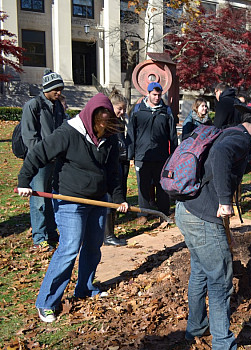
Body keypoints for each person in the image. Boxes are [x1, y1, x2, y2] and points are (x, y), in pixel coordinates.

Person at [175, 99, 251, 350]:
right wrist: (224, 200)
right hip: (204, 218)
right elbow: (220, 158)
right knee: (220, 281)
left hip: (186, 210)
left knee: (200, 271)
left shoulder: (227, 130)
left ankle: (196, 328)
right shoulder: (240, 140)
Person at [17, 93, 129, 323]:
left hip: (98, 200)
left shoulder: (109, 138)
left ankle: (85, 288)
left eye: (106, 123)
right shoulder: (68, 133)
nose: (102, 127)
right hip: (70, 199)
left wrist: (119, 197)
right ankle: (47, 301)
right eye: (99, 123)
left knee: (93, 246)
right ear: (90, 118)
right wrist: (24, 182)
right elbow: (38, 153)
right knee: (69, 247)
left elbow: (113, 172)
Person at [20, 69, 67, 252]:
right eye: (56, 89)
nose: (59, 92)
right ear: (47, 88)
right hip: (39, 162)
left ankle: (51, 232)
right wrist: (42, 156)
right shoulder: (33, 105)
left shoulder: (57, 107)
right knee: (38, 200)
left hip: (55, 160)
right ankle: (39, 238)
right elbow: (29, 137)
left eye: (61, 89)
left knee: (50, 197)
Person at [127, 82, 178, 223]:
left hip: (161, 156)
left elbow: (172, 135)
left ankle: (163, 213)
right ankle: (143, 213)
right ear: (147, 94)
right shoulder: (137, 110)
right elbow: (131, 133)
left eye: (159, 95)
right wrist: (130, 155)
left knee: (162, 186)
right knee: (142, 186)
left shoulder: (166, 112)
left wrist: (174, 156)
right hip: (141, 156)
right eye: (154, 94)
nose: (157, 97)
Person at [104, 89, 129, 246]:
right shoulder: (106, 121)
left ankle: (109, 232)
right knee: (109, 197)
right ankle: (107, 235)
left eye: (123, 110)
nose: (122, 112)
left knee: (117, 194)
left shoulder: (118, 121)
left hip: (120, 161)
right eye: (119, 109)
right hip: (109, 164)